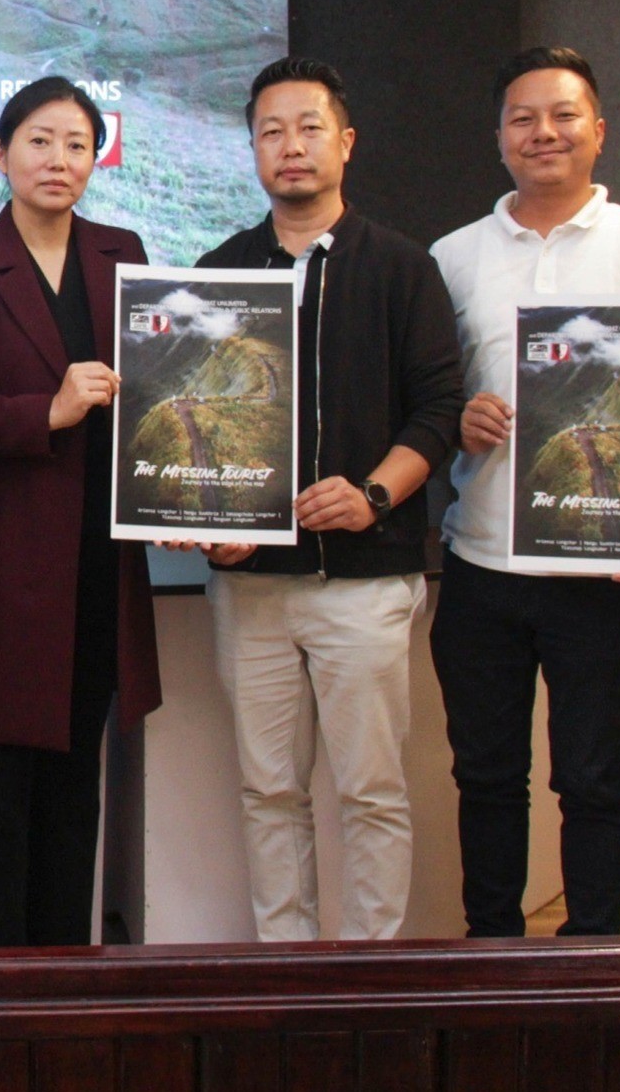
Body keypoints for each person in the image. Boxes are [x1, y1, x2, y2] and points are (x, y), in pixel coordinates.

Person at [427, 47, 620, 938]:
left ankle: (592, 954)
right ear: (498, 137)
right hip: (480, 562)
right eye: (522, 118)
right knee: (484, 775)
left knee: (592, 777)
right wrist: (457, 417)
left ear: (598, 130)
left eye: (561, 116)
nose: (542, 133)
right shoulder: (452, 256)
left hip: (602, 570)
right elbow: (426, 396)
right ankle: (492, 951)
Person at [190, 56, 464, 942]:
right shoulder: (219, 270)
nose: (290, 146)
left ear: (345, 142)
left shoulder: (402, 268)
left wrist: (375, 494)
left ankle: (370, 971)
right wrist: (210, 521)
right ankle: (285, 964)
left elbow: (439, 409)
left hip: (366, 582)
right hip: (252, 586)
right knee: (267, 790)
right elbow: (199, 421)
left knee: (371, 790)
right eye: (270, 132)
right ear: (251, 150)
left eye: (308, 128)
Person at [0, 77, 160, 947]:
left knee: (71, 801)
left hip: (94, 571)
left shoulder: (123, 254)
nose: (59, 160)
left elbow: (158, 395)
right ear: (1, 153)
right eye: (39, 141)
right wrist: (46, 412)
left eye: (78, 145)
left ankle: (64, 989)